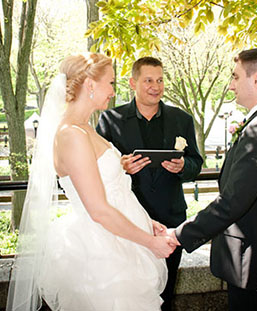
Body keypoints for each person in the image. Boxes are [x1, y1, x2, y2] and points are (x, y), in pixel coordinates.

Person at [6, 53, 177, 311]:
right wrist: (149, 242)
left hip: (121, 239)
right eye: (110, 83)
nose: (112, 91)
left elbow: (112, 190)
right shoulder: (71, 135)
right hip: (102, 253)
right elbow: (98, 210)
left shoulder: (85, 128)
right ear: (90, 85)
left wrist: (145, 222)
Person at [171, 47, 257, 311]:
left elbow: (234, 199)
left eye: (236, 77)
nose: (230, 86)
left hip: (254, 261)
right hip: (253, 258)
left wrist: (180, 235)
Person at [96, 56, 203, 310]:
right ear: (133, 83)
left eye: (160, 80)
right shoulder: (109, 120)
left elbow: (195, 164)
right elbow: (97, 170)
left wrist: (182, 167)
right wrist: (122, 168)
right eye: (148, 80)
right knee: (129, 293)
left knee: (165, 294)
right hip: (127, 221)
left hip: (170, 219)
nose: (156, 86)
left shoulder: (182, 120)